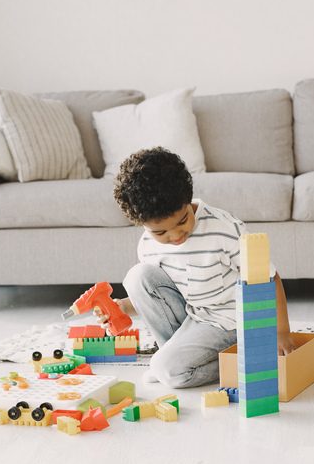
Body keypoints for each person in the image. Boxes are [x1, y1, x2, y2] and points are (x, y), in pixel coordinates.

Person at [98, 147, 294, 388]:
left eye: (183, 220)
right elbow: (163, 296)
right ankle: (171, 359)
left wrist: (280, 332)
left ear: (188, 200)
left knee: (170, 372)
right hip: (195, 315)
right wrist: (124, 307)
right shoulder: (148, 244)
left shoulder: (223, 230)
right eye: (161, 232)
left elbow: (268, 277)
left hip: (231, 322)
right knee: (137, 276)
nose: (176, 235)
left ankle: (232, 359)